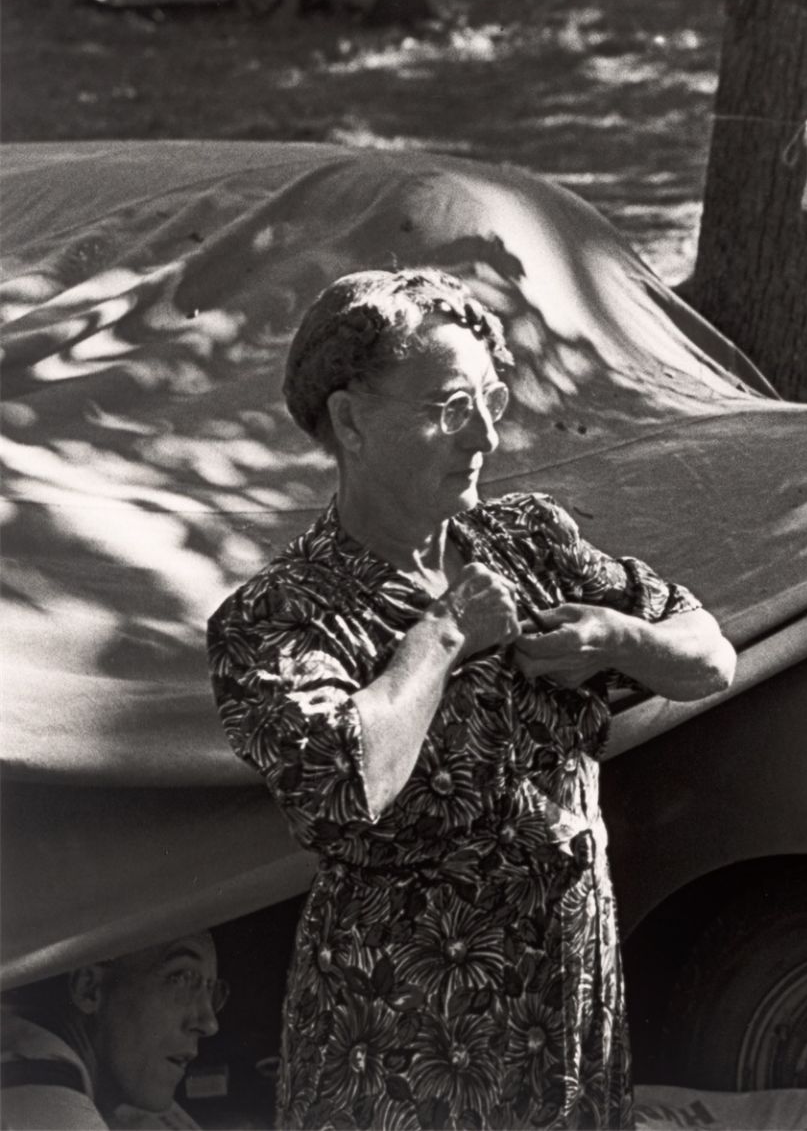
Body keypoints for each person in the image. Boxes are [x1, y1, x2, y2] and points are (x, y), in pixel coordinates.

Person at [206, 268, 736, 1130]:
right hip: (404, 1044)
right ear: (351, 421)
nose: (485, 434)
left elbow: (710, 656)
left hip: (563, 1011)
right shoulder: (280, 615)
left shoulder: (528, 539)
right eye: (450, 406)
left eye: (492, 398)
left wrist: (615, 639)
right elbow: (345, 787)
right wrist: (444, 633)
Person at [1, 932, 221, 1130]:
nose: (209, 1023)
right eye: (181, 979)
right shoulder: (38, 1091)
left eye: (211, 989)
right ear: (89, 988)